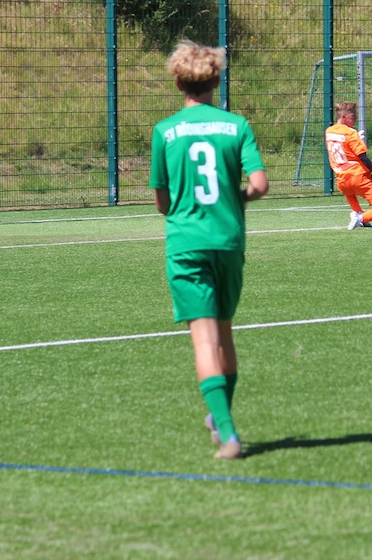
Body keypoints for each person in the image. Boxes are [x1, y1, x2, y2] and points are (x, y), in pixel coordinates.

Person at [150, 40, 268, 460]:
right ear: (216, 81)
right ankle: (220, 419)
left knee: (203, 340)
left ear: (178, 82)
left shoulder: (165, 132)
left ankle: (230, 434)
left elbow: (162, 202)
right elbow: (259, 185)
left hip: (186, 243)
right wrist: (235, 199)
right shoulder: (237, 126)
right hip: (228, 240)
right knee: (225, 333)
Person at [325, 100, 372, 229]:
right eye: (353, 115)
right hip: (359, 177)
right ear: (343, 116)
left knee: (351, 194)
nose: (356, 118)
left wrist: (354, 138)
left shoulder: (329, 131)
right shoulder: (351, 133)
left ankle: (357, 213)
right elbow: (363, 157)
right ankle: (360, 218)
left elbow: (341, 145)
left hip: (342, 180)